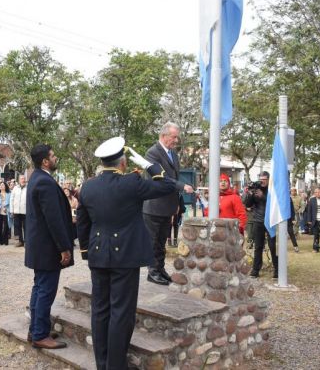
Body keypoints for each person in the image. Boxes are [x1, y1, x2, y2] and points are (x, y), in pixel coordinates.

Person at [77, 137, 177, 370]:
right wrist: (148, 164)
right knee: (121, 312)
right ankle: (116, 366)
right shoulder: (132, 183)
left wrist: (86, 251)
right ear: (123, 162)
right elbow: (168, 185)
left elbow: (82, 222)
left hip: (98, 254)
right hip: (125, 256)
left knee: (100, 310)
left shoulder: (88, 186)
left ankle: (103, 364)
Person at [25, 144, 74, 350]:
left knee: (39, 288)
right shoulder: (44, 181)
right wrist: (64, 247)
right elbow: (53, 219)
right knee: (46, 290)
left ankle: (36, 329)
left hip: (40, 246)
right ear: (45, 161)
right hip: (48, 247)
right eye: (53, 156)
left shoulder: (37, 177)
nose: (55, 158)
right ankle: (39, 335)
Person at [142, 122, 194, 285]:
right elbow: (160, 177)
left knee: (162, 240)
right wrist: (181, 186)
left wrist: (178, 202)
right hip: (154, 205)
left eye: (177, 137)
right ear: (163, 136)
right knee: (153, 241)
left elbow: (175, 177)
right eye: (174, 137)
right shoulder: (152, 153)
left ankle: (160, 268)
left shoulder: (173, 154)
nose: (176, 140)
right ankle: (152, 271)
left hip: (168, 205)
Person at [245, 171, 278, 278]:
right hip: (258, 221)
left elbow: (274, 204)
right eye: (261, 179)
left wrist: (263, 196)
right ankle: (255, 270)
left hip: (270, 221)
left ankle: (277, 269)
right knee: (258, 246)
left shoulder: (273, 189)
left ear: (268, 179)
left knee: (273, 246)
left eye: (264, 179)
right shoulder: (255, 188)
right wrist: (250, 194)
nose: (262, 181)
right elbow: (248, 205)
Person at [306, 187, 320, 253]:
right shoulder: (311, 200)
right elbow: (309, 211)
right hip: (315, 220)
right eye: (316, 192)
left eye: (319, 192)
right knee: (316, 235)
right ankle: (315, 248)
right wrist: (309, 220)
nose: (317, 193)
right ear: (314, 193)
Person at [10, 175, 27, 247]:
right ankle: (21, 241)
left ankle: (26, 242)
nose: (23, 180)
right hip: (16, 211)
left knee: (26, 227)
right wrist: (12, 210)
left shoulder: (28, 188)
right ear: (19, 180)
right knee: (18, 226)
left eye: (24, 179)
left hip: (25, 211)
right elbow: (11, 199)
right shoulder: (15, 188)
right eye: (21, 179)